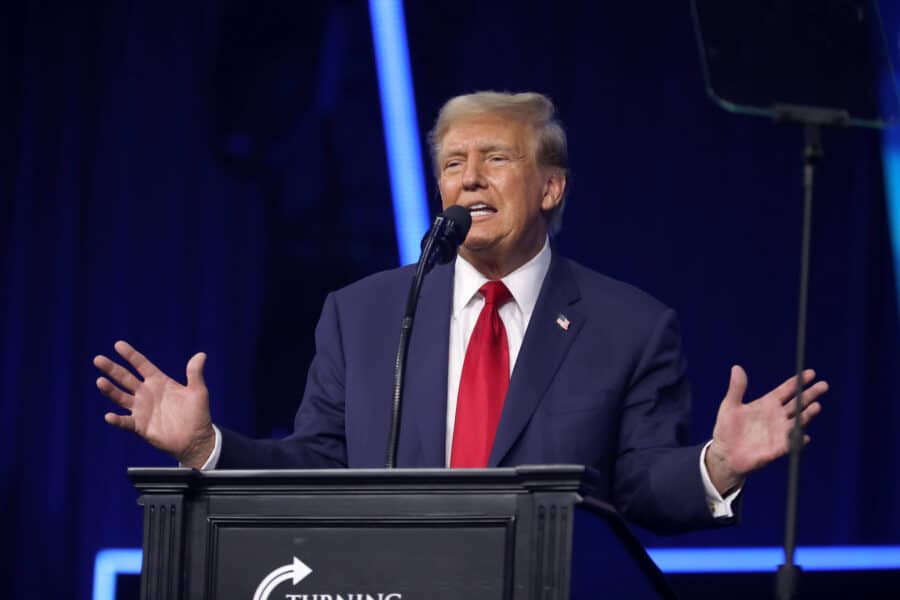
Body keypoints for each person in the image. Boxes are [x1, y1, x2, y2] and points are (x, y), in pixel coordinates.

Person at [94, 91, 826, 534]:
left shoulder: (631, 326)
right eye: (452, 162)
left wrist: (716, 465)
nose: (468, 177)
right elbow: (317, 464)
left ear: (550, 188)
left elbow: (635, 485)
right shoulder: (364, 312)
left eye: (496, 158)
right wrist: (207, 449)